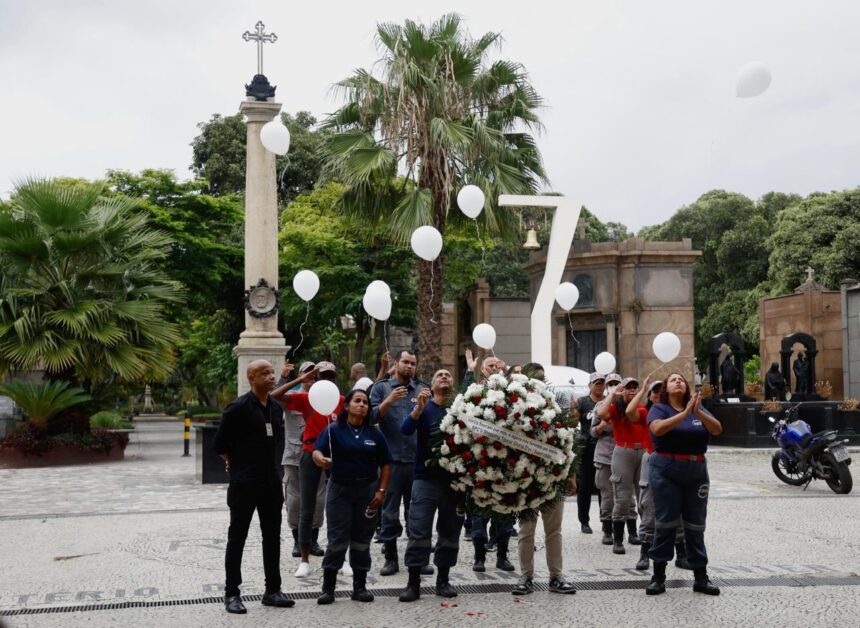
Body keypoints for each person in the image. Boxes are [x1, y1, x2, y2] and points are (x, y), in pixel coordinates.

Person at [214, 360, 295, 614]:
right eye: (265, 373)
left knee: (272, 538)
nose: (272, 377)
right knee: (237, 537)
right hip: (245, 484)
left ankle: (273, 590)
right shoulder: (237, 408)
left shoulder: (273, 408)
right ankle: (232, 593)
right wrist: (235, 466)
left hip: (270, 483)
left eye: (272, 372)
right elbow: (219, 445)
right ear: (252, 378)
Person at [313, 388, 392, 604]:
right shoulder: (333, 430)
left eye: (365, 402)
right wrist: (320, 459)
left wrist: (381, 491)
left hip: (367, 492)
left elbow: (386, 464)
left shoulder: (375, 433)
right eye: (357, 401)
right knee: (337, 540)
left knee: (361, 541)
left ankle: (360, 587)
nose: (362, 405)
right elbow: (316, 451)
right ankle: (328, 588)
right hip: (339, 491)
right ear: (347, 406)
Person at [646, 372, 722, 596]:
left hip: (696, 472)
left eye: (681, 380)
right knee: (666, 523)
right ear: (666, 389)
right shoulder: (659, 408)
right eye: (673, 380)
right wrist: (684, 415)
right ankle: (658, 577)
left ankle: (701, 577)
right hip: (666, 471)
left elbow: (717, 429)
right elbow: (657, 429)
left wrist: (697, 412)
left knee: (696, 525)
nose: (678, 382)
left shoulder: (697, 408)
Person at [272, 361, 344, 578]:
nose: (328, 380)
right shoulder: (306, 398)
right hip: (306, 454)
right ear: (316, 378)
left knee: (337, 506)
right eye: (323, 376)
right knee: (303, 505)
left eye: (331, 376)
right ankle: (303, 556)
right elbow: (275, 395)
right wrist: (299, 380)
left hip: (336, 457)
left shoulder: (341, 401)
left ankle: (341, 556)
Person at [398, 369, 465, 602]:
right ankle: (413, 584)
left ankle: (443, 581)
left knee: (450, 532)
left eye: (448, 374)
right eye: (439, 375)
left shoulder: (461, 408)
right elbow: (405, 429)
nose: (445, 376)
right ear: (432, 384)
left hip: (454, 483)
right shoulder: (423, 406)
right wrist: (417, 409)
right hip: (424, 480)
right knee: (419, 530)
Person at [511, 362, 578, 596]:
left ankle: (556, 576)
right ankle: (525, 576)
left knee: (554, 530)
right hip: (525, 480)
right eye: (533, 376)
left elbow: (568, 441)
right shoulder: (513, 404)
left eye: (540, 376)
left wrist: (571, 475)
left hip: (554, 477)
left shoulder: (555, 403)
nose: (537, 380)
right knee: (526, 530)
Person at [369, 350, 429, 577]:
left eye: (413, 363)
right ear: (395, 363)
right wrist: (389, 400)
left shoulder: (423, 389)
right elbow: (371, 417)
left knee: (417, 513)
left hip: (416, 462)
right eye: (405, 362)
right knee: (390, 513)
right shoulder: (382, 388)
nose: (409, 367)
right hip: (391, 463)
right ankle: (391, 558)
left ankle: (418, 559)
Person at [595, 376, 650, 555]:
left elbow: (633, 413)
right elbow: (601, 414)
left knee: (643, 496)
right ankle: (617, 539)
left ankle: (638, 534)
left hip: (641, 452)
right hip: (622, 452)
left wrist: (642, 391)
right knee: (623, 497)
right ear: (623, 390)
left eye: (635, 387)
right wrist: (612, 394)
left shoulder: (640, 408)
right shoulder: (614, 408)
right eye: (629, 387)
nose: (632, 389)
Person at [276, 361, 323, 559]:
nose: (311, 376)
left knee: (318, 500)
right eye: (307, 372)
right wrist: (288, 378)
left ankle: (313, 540)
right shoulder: (293, 397)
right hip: (294, 456)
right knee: (295, 501)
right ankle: (298, 541)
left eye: (314, 373)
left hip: (317, 456)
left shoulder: (324, 397)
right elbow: (274, 397)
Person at [571, 373, 606, 534]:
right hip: (587, 448)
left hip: (605, 447)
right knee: (585, 485)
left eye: (601, 383)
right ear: (590, 385)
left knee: (604, 486)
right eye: (596, 383)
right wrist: (571, 410)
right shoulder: (583, 402)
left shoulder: (608, 401)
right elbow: (572, 423)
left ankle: (605, 519)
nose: (599, 386)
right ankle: (584, 521)